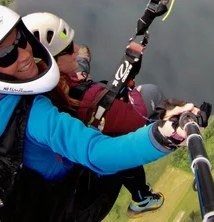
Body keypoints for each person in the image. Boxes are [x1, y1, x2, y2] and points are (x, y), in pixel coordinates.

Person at [0, 0, 199, 221]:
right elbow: (97, 153)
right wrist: (165, 135)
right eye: (6, 56)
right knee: (122, 128)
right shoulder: (35, 116)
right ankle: (141, 197)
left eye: (20, 41)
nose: (24, 55)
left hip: (18, 189)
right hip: (69, 199)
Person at [23, 12, 165, 218]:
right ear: (52, 62)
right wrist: (166, 137)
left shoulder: (43, 91)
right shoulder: (85, 101)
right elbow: (131, 120)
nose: (76, 49)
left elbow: (79, 60)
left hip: (54, 187)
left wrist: (80, 66)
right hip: (82, 193)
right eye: (69, 49)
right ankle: (141, 197)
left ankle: (140, 195)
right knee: (150, 95)